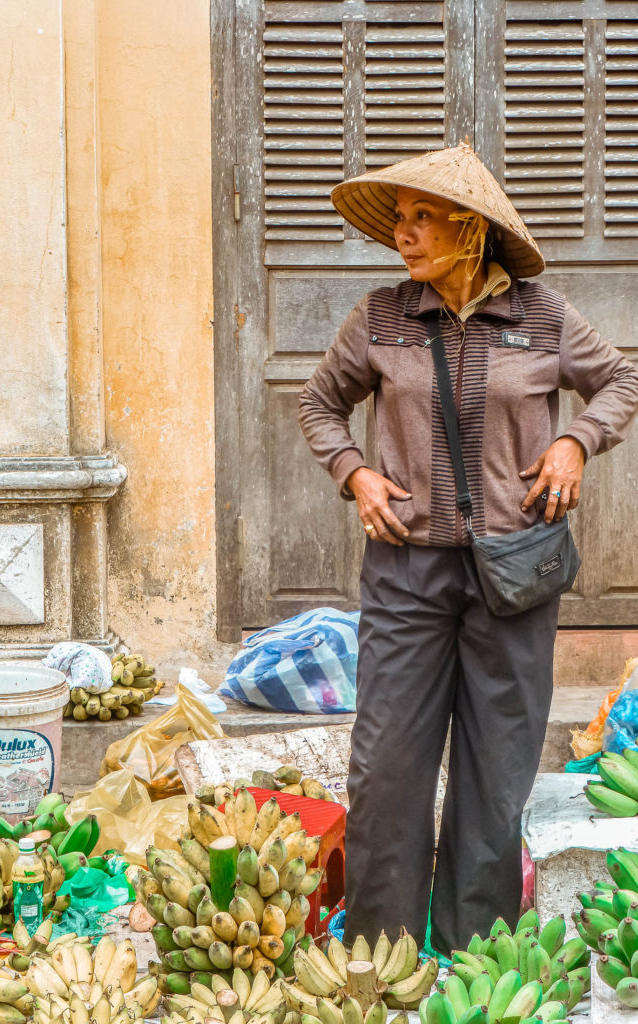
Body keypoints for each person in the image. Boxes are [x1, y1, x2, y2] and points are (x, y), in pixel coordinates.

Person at [298, 142, 638, 956]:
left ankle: (471, 951)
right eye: (401, 220)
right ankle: (380, 956)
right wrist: (355, 474)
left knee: (496, 768)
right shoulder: (380, 316)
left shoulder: (544, 317)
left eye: (422, 219)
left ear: (472, 230)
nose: (403, 235)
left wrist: (577, 442)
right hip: (405, 570)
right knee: (386, 764)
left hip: (514, 574)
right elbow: (319, 404)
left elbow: (622, 381)